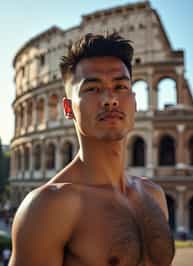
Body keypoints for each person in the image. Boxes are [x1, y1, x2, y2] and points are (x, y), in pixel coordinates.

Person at [9, 32, 175, 266]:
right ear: (68, 108)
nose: (110, 99)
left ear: (135, 100)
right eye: (93, 89)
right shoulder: (47, 208)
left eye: (120, 86)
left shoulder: (153, 195)